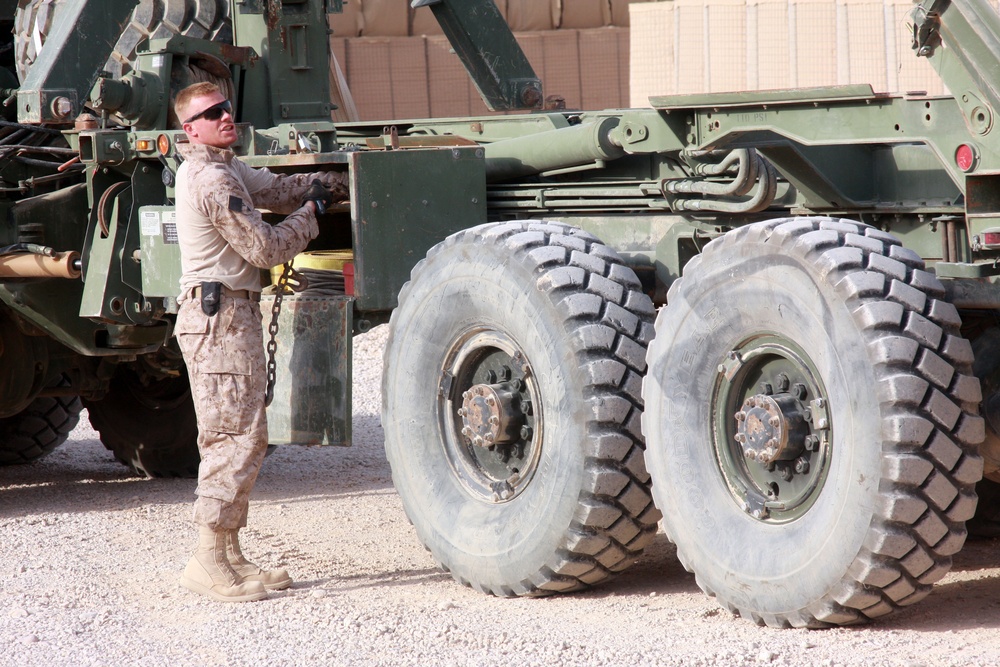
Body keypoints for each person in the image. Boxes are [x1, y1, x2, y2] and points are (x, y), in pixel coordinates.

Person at [171, 82, 347, 602]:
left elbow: (276, 189)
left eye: (227, 108)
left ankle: (227, 553)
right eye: (212, 113)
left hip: (228, 313)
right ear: (190, 128)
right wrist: (312, 215)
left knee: (243, 435)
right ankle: (207, 561)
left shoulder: (226, 167)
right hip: (218, 316)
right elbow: (265, 248)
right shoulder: (209, 179)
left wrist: (335, 180)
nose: (227, 117)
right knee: (233, 439)